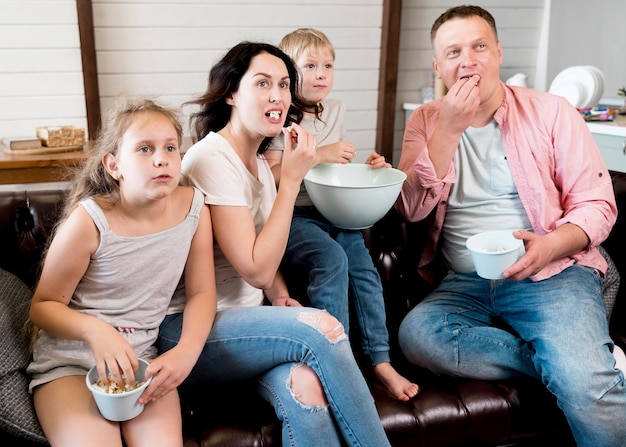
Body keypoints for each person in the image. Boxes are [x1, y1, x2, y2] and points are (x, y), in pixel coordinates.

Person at [394, 5, 626, 446]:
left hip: (551, 271)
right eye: (454, 51)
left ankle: (585, 371)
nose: (468, 60)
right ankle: (587, 363)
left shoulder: (553, 112)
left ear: (498, 53)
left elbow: (598, 204)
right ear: (438, 66)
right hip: (464, 282)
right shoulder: (425, 120)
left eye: (479, 46)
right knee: (418, 335)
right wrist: (448, 130)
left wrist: (551, 245)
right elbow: (411, 209)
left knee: (586, 386)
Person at [156, 42, 392, 447]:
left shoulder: (260, 163)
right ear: (231, 93)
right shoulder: (211, 160)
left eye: (284, 85)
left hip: (245, 329)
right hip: (189, 332)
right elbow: (255, 267)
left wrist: (280, 294)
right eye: (263, 83)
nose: (278, 96)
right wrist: (294, 179)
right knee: (324, 329)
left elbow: (265, 260)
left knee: (307, 388)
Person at [27, 98, 217, 447]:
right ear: (114, 165)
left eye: (170, 148)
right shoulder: (89, 221)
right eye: (145, 149)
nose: (161, 158)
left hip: (142, 364)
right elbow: (43, 305)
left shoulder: (194, 209)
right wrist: (97, 331)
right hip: (71, 365)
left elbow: (203, 292)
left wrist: (186, 352)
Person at [265, 28, 419, 402]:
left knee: (363, 268)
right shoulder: (279, 114)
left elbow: (333, 169)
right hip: (292, 215)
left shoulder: (336, 109)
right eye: (310, 66)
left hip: (331, 209)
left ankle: (380, 361)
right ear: (287, 73)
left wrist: (372, 165)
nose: (321, 74)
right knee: (331, 258)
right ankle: (338, 362)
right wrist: (321, 152)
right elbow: (270, 172)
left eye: (328, 65)